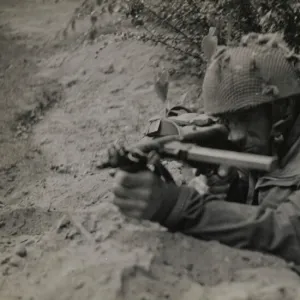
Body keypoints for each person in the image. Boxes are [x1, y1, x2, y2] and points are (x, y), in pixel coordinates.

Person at [112, 32, 300, 265]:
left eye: (245, 117)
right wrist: (230, 186)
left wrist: (180, 206)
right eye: (228, 121)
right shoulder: (271, 141)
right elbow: (263, 198)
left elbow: (286, 231)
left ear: (285, 107)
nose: (235, 135)